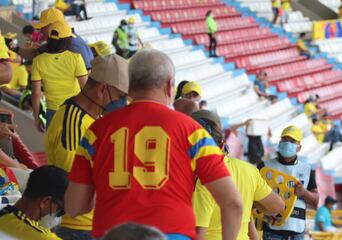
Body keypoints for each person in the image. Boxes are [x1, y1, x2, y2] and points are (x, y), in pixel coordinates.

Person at [65, 49, 243, 240]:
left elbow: (75, 206)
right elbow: (233, 203)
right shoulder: (193, 132)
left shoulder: (96, 131)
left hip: (112, 234)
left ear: (130, 86)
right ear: (169, 86)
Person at [45, 54, 128, 240]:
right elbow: (71, 183)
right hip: (77, 227)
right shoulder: (73, 124)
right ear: (102, 89)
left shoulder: (91, 118)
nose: (123, 103)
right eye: (120, 96)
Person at [192, 110, 285, 240]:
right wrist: (251, 202)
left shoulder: (203, 179)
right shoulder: (250, 171)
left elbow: (198, 234)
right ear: (222, 143)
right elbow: (278, 206)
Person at [258, 125, 319, 240]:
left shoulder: (307, 170)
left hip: (297, 233)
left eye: (292, 141)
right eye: (285, 140)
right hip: (272, 231)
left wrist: (304, 193)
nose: (287, 143)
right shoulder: (265, 166)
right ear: (279, 143)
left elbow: (315, 201)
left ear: (299, 147)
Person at [31, 20, 88, 131]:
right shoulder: (76, 58)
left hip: (52, 112)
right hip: (73, 110)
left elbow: (36, 93)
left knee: (53, 147)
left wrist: (36, 117)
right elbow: (85, 89)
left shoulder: (38, 61)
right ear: (67, 40)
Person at [0, 165, 68, 240]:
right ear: (45, 201)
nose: (58, 215)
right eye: (60, 210)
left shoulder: (3, 215)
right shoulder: (43, 237)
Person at [16, 8, 94, 70]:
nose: (41, 31)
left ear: (54, 26)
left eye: (43, 27)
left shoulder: (75, 45)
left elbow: (87, 75)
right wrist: (13, 48)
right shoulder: (57, 42)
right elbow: (34, 54)